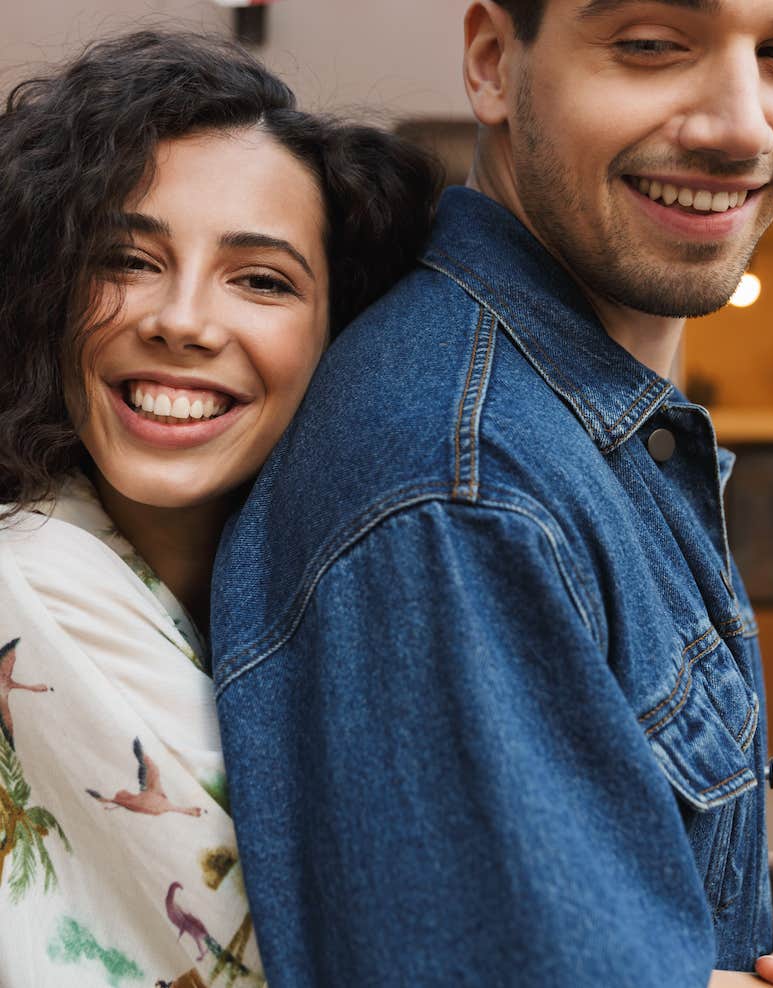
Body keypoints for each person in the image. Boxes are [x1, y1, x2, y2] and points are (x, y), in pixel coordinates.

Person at [212, 1, 773, 985]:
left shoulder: (577, 426)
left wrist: (765, 902)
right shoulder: (464, 487)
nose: (740, 125)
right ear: (489, 61)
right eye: (650, 45)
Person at [0, 30, 438, 988]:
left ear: (341, 337)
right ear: (48, 289)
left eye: (261, 280)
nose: (184, 319)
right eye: (127, 258)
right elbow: (404, 941)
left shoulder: (340, 590)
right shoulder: (30, 575)